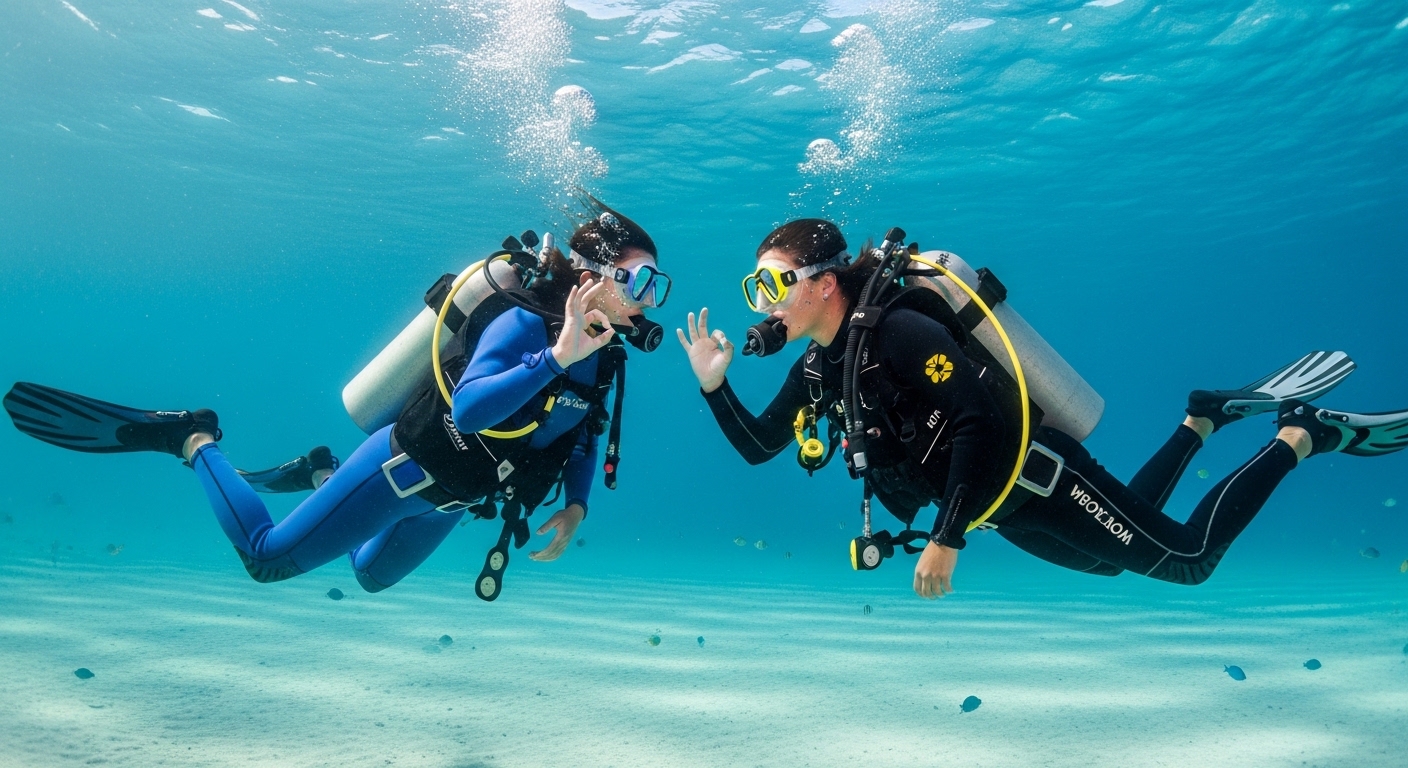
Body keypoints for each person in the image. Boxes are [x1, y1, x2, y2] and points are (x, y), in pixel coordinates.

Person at [677, 218, 1407, 598]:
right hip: (1002, 507)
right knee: (1119, 565)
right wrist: (715, 386)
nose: (764, 305)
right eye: (756, 291)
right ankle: (1200, 421)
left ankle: (1297, 437)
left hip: (1039, 477)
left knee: (1186, 562)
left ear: (825, 284)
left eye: (772, 285)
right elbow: (758, 445)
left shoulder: (900, 330)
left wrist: (947, 538)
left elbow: (976, 421)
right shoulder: (819, 366)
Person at [5, 202, 670, 597]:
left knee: (371, 578)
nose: (647, 297)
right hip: (407, 468)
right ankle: (192, 439)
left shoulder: (603, 354)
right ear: (594, 274)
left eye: (653, 283)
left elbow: (584, 432)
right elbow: (469, 410)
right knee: (267, 559)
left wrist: (577, 504)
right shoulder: (530, 325)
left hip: (457, 498)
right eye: (640, 279)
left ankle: (322, 476)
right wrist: (554, 358)